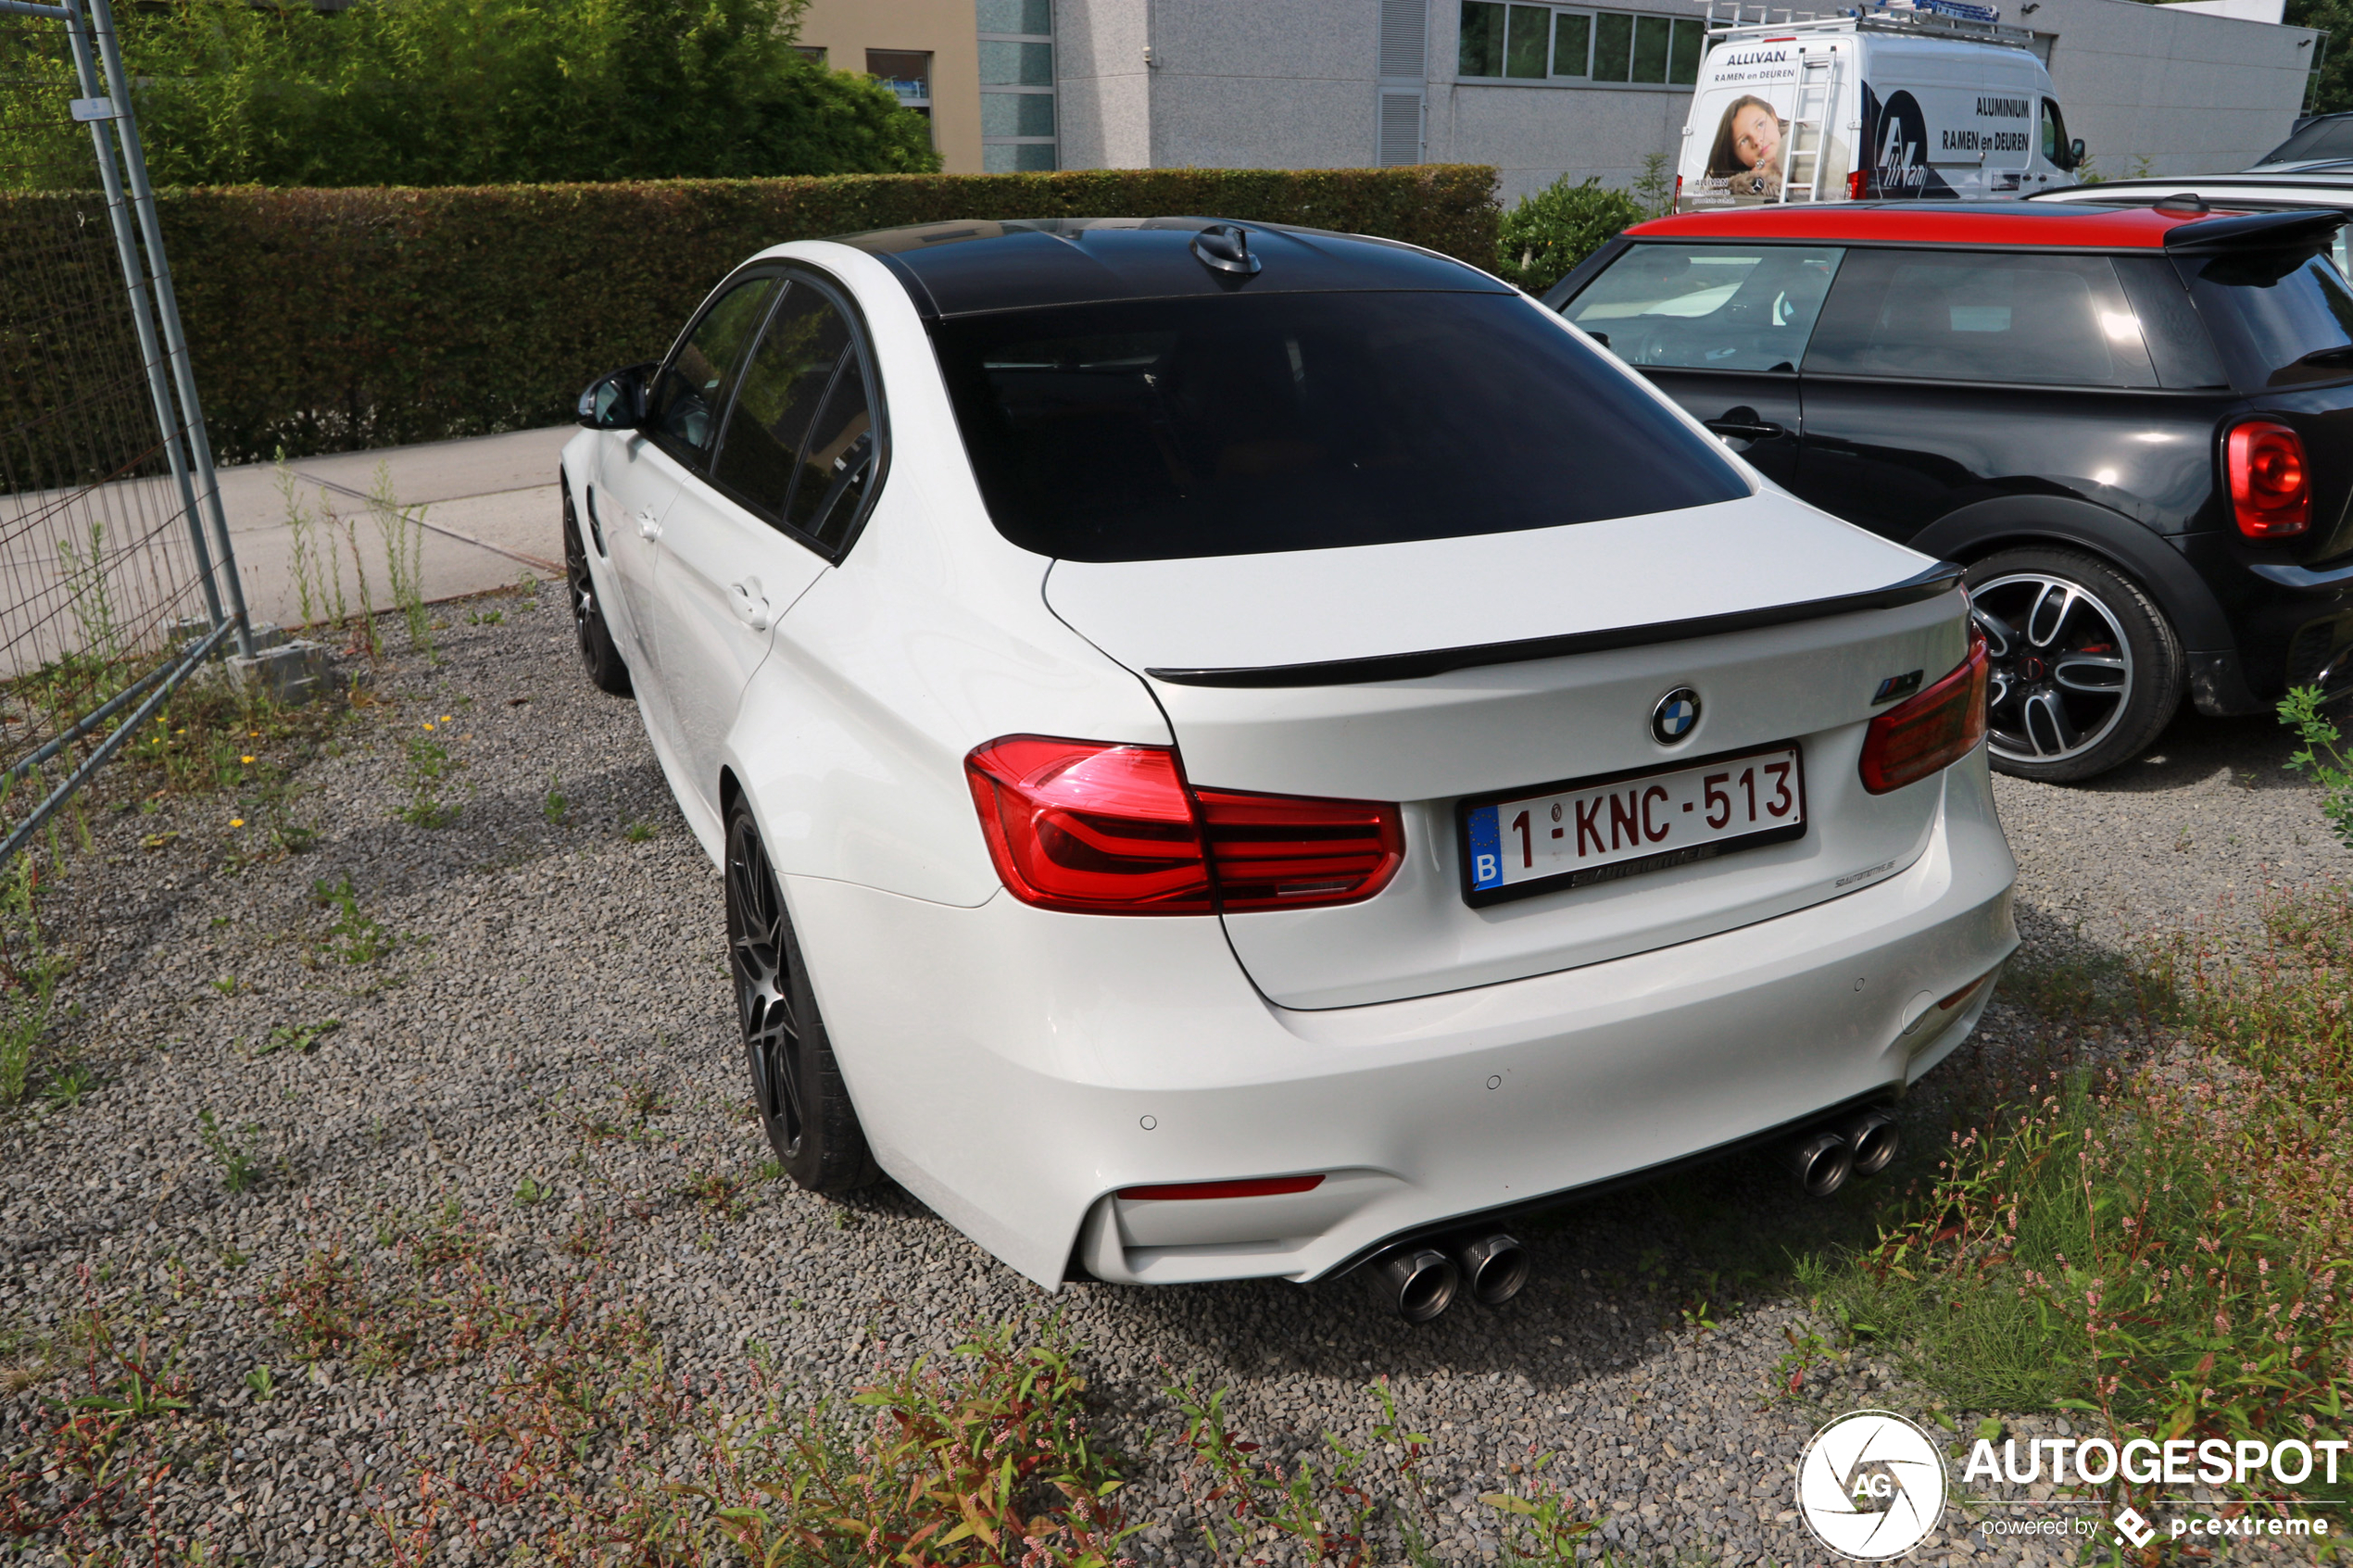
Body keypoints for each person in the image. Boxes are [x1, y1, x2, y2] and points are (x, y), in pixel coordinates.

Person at [1707, 95, 1785, 197]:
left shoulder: (1809, 147)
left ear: (1774, 120)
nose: (1756, 140)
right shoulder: (1730, 195)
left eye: (1760, 125)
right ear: (1736, 158)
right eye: (1743, 141)